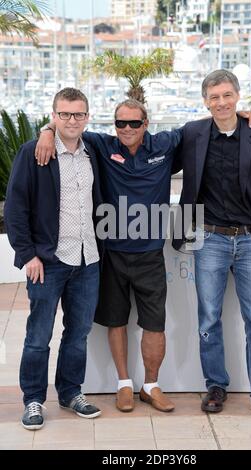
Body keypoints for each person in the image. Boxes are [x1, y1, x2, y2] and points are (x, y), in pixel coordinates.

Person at [36, 97, 251, 414]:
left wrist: (236, 113)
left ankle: (151, 386)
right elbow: (68, 127)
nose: (127, 129)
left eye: (134, 123)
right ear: (114, 125)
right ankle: (124, 385)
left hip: (150, 254)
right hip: (111, 252)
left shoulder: (165, 144)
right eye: (120, 123)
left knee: (155, 324)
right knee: (115, 322)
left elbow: (204, 127)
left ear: (146, 124)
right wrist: (47, 130)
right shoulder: (101, 144)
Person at [172, 69, 251, 424]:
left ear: (238, 96)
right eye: (214, 97)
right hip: (208, 237)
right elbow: (154, 150)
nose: (221, 102)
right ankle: (216, 386)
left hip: (249, 240)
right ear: (205, 101)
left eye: (227, 95)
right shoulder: (193, 133)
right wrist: (49, 129)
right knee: (208, 319)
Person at [4, 88, 102, 430]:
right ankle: (33, 399)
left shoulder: (95, 151)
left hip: (88, 259)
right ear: (54, 115)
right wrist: (28, 254)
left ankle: (71, 392)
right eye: (64, 114)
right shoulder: (34, 152)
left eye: (78, 114)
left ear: (87, 116)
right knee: (38, 335)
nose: (71, 121)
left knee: (78, 333)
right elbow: (16, 208)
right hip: (49, 261)